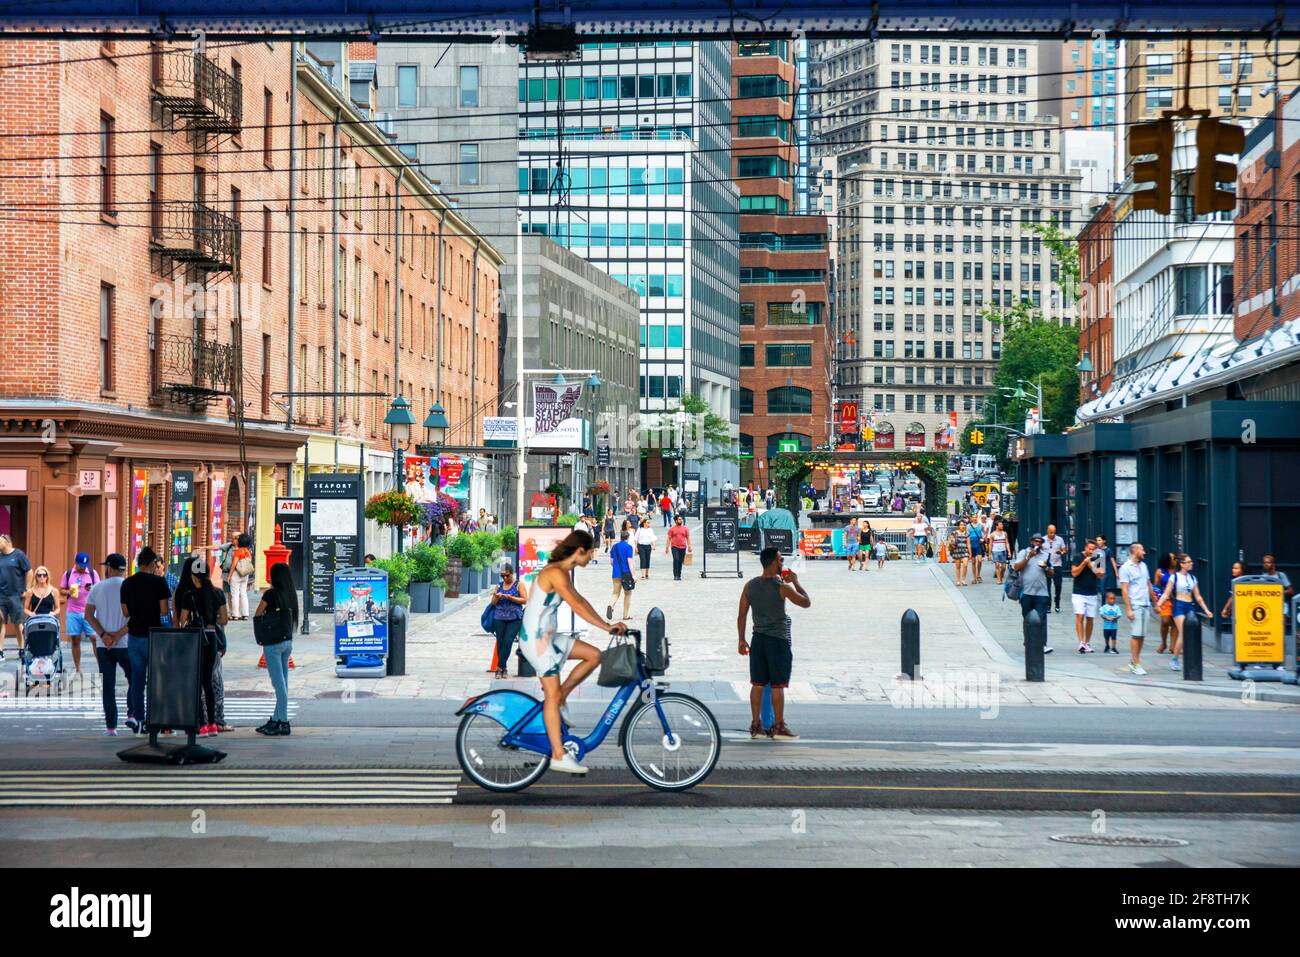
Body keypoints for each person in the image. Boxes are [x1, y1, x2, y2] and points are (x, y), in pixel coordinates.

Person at [520, 529, 628, 774]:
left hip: (549, 637)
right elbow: (576, 605)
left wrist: (606, 624)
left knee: (594, 655)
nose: (591, 557)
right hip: (538, 642)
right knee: (550, 695)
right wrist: (607, 627)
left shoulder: (563, 572)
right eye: (590, 553)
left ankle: (562, 697)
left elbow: (582, 600)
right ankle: (558, 755)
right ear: (580, 551)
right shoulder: (556, 572)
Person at [737, 546, 811, 741]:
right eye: (780, 560)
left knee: (757, 683)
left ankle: (756, 725)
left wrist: (741, 639)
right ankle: (778, 726)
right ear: (772, 562)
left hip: (757, 639)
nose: (782, 563)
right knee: (778, 685)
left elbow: (742, 615)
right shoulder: (782, 587)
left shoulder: (750, 585)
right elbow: (806, 602)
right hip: (777, 640)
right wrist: (796, 582)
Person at [118, 548, 171, 730]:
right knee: (156, 680)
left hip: (134, 636)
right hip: (153, 636)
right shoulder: (159, 582)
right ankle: (157, 719)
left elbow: (125, 612)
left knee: (137, 681)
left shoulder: (127, 583)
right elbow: (164, 611)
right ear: (152, 564)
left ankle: (139, 720)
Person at [175, 556, 228, 738]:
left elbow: (182, 621)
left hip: (196, 639)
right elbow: (225, 619)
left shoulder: (189, 596)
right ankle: (213, 724)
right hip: (212, 638)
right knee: (208, 680)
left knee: (196, 681)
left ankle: (202, 724)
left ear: (194, 576)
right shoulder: (218, 593)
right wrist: (211, 621)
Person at [84, 554, 131, 735]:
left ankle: (111, 726)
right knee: (134, 680)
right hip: (125, 642)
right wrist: (118, 635)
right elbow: (135, 616)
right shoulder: (129, 586)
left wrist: (103, 635)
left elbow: (88, 615)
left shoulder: (97, 588)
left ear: (109, 568)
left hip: (104, 646)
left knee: (108, 686)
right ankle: (132, 715)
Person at [253, 562, 299, 736]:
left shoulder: (270, 594)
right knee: (283, 682)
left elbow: (258, 613)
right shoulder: (291, 594)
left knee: (278, 684)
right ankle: (276, 718)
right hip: (287, 642)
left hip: (273, 644)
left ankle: (284, 721)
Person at [1158, 553, 1212, 672]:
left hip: (1189, 606)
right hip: (1179, 606)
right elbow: (1166, 593)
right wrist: (1158, 604)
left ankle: (1188, 658)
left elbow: (1198, 597)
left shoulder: (1193, 578)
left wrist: (1206, 610)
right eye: (1188, 562)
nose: (1191, 564)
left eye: (1191, 562)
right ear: (1182, 564)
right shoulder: (1174, 577)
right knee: (1184, 631)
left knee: (1190, 634)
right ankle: (1175, 659)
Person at [1118, 543, 1156, 675]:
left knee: (1142, 635)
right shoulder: (1125, 568)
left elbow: (1148, 583)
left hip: (1146, 604)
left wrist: (1155, 602)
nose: (1144, 552)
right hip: (1135, 604)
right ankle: (1136, 663)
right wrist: (1128, 609)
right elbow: (1124, 589)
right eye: (1142, 549)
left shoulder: (1144, 566)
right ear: (1135, 551)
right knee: (1136, 634)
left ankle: (1134, 660)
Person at [1011, 533, 1053, 654]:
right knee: (1027, 619)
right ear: (1031, 541)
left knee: (1041, 619)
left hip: (1042, 593)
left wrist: (1046, 567)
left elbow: (1051, 573)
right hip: (1026, 592)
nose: (1038, 544)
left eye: (1040, 542)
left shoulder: (1046, 555)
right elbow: (1017, 567)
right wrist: (1028, 557)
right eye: (1036, 541)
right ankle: (1029, 642)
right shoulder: (1024, 552)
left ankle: (1043, 644)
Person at [58, 552, 100, 674]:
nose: (83, 567)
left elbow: (98, 589)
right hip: (73, 611)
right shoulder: (68, 574)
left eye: (85, 565)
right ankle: (78, 669)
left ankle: (101, 667)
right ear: (75, 563)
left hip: (89, 611)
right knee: (75, 640)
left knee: (94, 638)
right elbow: (61, 590)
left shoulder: (93, 573)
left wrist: (91, 589)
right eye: (81, 565)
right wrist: (70, 592)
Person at [490, 562, 528, 679]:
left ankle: (499, 667)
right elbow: (493, 603)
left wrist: (511, 598)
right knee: (500, 643)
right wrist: (496, 597)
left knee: (508, 642)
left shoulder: (518, 584)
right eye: (503, 576)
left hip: (514, 618)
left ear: (512, 574)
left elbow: (524, 599)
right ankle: (504, 668)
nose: (505, 578)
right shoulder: (499, 585)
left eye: (507, 575)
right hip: (499, 617)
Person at [0, 534, 34, 660]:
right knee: (1, 621)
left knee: (18, 623)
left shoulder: (18, 555)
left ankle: (21, 648)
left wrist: (28, 588)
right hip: (1, 595)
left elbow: (29, 571)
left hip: (16, 595)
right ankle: (0, 651)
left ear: (7, 542)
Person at [1069, 539, 1103, 653]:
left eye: (1093, 549)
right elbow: (1074, 573)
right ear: (1085, 548)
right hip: (1078, 592)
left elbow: (1101, 575)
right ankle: (1081, 642)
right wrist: (1084, 563)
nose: (1091, 551)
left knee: (1090, 618)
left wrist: (1091, 565)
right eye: (1089, 549)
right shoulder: (1078, 557)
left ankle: (1087, 642)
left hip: (1092, 592)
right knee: (1080, 616)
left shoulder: (1098, 557)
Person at [607, 529, 636, 621]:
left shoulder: (614, 547)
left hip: (616, 573)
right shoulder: (629, 547)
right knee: (628, 594)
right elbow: (630, 561)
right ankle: (625, 615)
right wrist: (633, 575)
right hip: (626, 573)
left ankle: (610, 605)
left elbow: (611, 562)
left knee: (615, 593)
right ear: (628, 537)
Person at [1153, 551, 1176, 654]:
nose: (1175, 560)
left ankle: (1173, 645)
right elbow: (1156, 587)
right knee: (1165, 621)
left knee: (1175, 622)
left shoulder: (1177, 572)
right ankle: (1163, 642)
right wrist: (1157, 601)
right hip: (1164, 600)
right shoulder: (1160, 571)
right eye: (1173, 559)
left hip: (1176, 599)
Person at [1043, 524, 1068, 612]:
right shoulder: (1043, 540)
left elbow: (1065, 550)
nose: (1052, 534)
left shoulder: (1059, 539)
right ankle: (1048, 605)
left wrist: (1061, 552)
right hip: (1047, 566)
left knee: (1058, 585)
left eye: (1054, 532)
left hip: (1057, 565)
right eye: (1050, 532)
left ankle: (1057, 603)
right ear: (1047, 531)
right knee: (1047, 586)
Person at [228, 533, 254, 620]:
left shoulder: (238, 551)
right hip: (245, 575)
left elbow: (234, 564)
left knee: (235, 594)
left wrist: (230, 575)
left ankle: (235, 614)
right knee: (243, 593)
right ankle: (245, 614)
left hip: (236, 574)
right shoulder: (248, 552)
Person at [665, 514, 692, 581]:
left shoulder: (685, 528)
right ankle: (675, 575)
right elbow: (669, 538)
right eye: (679, 519)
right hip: (674, 547)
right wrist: (667, 547)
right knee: (676, 559)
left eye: (681, 519)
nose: (681, 520)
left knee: (680, 561)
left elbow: (688, 538)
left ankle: (679, 575)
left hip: (683, 547)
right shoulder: (672, 529)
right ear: (676, 520)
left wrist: (689, 546)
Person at [1099, 590, 1122, 655]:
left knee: (1114, 637)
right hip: (1106, 626)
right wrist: (1106, 617)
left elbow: (1119, 615)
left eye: (1114, 598)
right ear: (1107, 599)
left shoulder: (1117, 607)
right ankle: (1107, 645)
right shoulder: (1104, 607)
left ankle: (1114, 648)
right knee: (1106, 637)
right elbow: (1101, 614)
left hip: (1114, 626)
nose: (1113, 600)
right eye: (1111, 599)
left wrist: (1115, 618)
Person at [990, 518, 1010, 585]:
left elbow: (1007, 543)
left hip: (1003, 551)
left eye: (1002, 524)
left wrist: (1009, 552)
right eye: (1000, 525)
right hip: (995, 551)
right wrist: (989, 554)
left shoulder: (1005, 533)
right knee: (997, 565)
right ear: (997, 526)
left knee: (1004, 567)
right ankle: (998, 579)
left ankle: (1001, 577)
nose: (1002, 526)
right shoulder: (992, 534)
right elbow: (990, 544)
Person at [949, 519, 970, 584]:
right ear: (958, 526)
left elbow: (968, 543)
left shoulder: (967, 533)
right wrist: (952, 543)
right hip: (957, 551)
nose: (962, 526)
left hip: (965, 551)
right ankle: (958, 580)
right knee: (958, 567)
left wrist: (970, 553)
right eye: (961, 525)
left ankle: (963, 579)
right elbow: (951, 541)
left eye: (964, 525)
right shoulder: (954, 533)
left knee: (965, 565)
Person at [967, 517, 985, 583]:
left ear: (977, 518)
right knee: (973, 561)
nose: (975, 519)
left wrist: (983, 538)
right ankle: (974, 578)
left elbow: (985, 533)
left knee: (980, 560)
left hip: (978, 544)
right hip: (971, 544)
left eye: (976, 517)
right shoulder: (968, 526)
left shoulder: (980, 525)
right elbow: (967, 535)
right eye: (973, 517)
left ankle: (978, 575)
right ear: (971, 518)